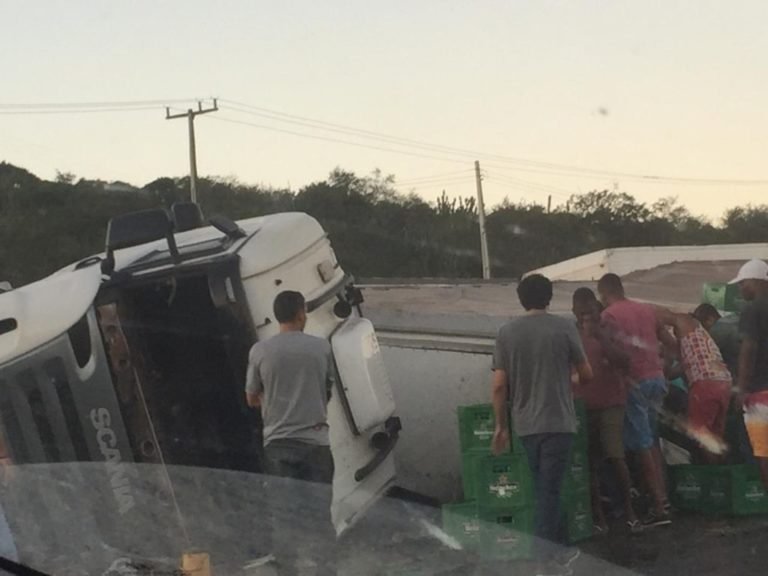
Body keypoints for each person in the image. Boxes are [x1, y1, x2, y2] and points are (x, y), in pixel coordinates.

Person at [491, 274, 592, 576]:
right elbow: (586, 374)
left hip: (525, 426)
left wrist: (500, 426)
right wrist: (568, 379)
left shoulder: (506, 333)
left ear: (521, 299)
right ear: (549, 298)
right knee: (549, 491)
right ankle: (542, 562)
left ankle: (562, 552)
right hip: (559, 422)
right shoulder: (564, 327)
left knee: (545, 489)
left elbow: (498, 386)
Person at [245, 290, 336, 576]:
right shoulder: (321, 348)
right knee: (320, 516)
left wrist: (273, 399)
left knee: (284, 518)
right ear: (300, 314)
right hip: (316, 443)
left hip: (278, 445)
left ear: (276, 316)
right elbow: (327, 390)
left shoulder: (259, 351)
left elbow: (251, 398)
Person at [597, 273, 672, 528]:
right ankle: (663, 496)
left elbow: (608, 350)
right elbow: (671, 342)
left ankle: (658, 507)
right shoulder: (647, 310)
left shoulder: (609, 316)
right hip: (657, 379)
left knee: (641, 445)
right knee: (652, 441)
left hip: (634, 383)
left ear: (603, 293)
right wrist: (666, 367)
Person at [571, 288, 640, 533]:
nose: (585, 319)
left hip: (611, 402)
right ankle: (599, 517)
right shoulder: (570, 335)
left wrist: (600, 337)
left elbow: (625, 361)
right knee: (589, 461)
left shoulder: (610, 330)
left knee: (615, 455)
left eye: (589, 313)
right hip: (582, 405)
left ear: (597, 310)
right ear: (573, 313)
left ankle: (631, 511)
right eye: (580, 314)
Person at [658, 310, 732, 464]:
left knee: (701, 437)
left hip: (705, 384)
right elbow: (675, 371)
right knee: (715, 437)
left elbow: (663, 316)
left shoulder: (686, 321)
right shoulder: (697, 344)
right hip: (723, 383)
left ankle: (711, 477)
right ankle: (721, 474)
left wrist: (649, 320)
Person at [730, 259, 768, 490]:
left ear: (755, 281)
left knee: (764, 451)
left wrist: (741, 388)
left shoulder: (753, 309)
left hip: (760, 394)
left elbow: (748, 348)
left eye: (743, 283)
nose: (740, 288)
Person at [693, 303, 741, 378]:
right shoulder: (731, 319)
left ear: (710, 319)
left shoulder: (718, 330)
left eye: (703, 327)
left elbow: (698, 358)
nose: (703, 332)